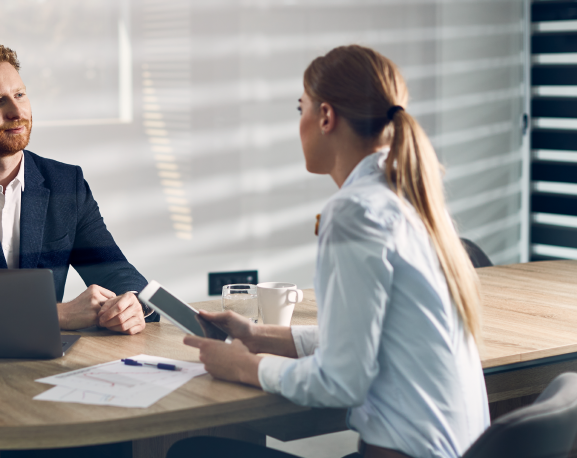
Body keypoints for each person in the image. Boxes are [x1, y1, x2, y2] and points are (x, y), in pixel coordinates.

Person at [171, 45, 490, 458]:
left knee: (193, 451)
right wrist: (258, 336)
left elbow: (341, 381)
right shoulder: (409, 195)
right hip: (456, 447)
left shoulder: (354, 211)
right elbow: (364, 340)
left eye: (300, 108)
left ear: (325, 117)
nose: (298, 123)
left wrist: (244, 367)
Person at [0, 43, 157, 335]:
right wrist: (55, 314)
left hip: (43, 363)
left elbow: (116, 270)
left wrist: (134, 302)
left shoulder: (65, 183)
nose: (16, 111)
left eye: (20, 95)